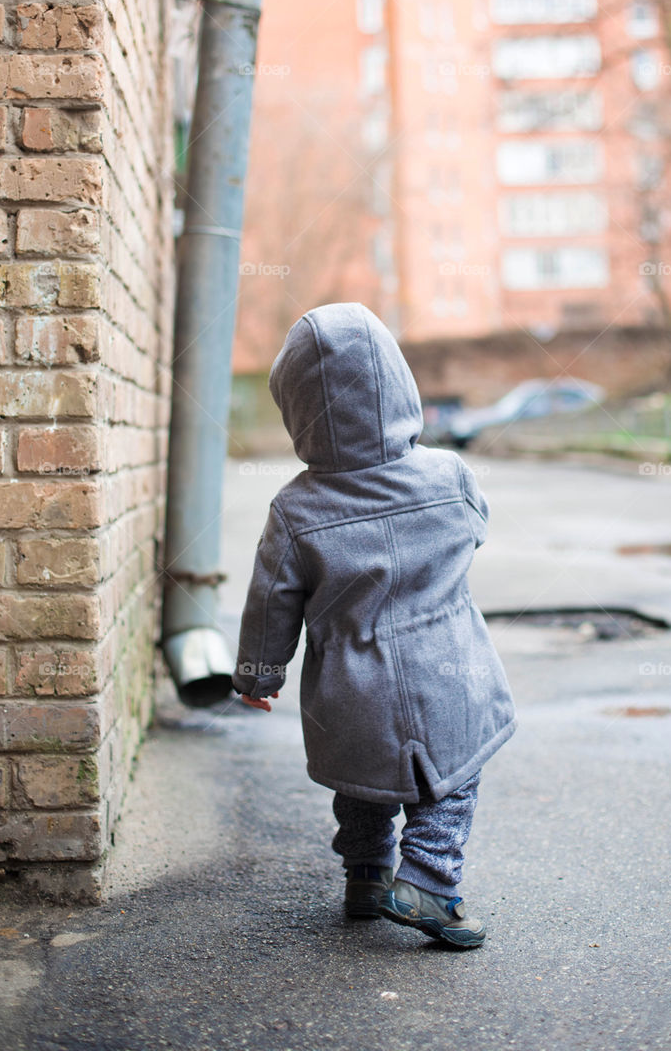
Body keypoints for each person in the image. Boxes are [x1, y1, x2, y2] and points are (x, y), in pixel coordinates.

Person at [232, 302, 516, 949]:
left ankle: (365, 875)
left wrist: (257, 674)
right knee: (449, 784)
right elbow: (478, 530)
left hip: (349, 687)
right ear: (399, 385)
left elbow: (270, 600)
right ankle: (430, 881)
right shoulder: (449, 476)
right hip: (451, 674)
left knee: (362, 786)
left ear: (296, 408)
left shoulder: (296, 508)